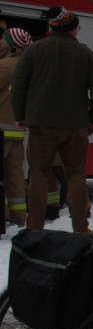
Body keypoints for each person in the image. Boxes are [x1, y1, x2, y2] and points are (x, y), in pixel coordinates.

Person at [11, 7, 93, 233]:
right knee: (75, 176)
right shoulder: (85, 53)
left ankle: (35, 227)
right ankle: (81, 226)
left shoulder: (34, 51)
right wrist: (92, 119)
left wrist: (20, 116)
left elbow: (19, 85)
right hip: (75, 126)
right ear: (72, 28)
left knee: (38, 174)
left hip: (41, 125)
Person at [0, 28, 31, 228]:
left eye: (3, 39)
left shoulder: (6, 64)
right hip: (17, 131)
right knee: (15, 176)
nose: (0, 41)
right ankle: (18, 217)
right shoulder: (29, 65)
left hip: (1, 130)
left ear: (13, 43)